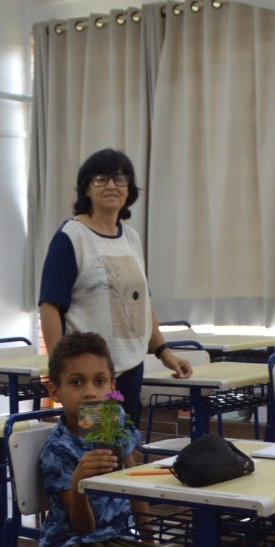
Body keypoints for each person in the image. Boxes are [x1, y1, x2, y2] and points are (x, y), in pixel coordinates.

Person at [37, 332, 219, 547]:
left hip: (122, 542)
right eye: (77, 383)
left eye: (100, 382)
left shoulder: (117, 421)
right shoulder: (58, 449)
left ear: (113, 388)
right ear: (56, 390)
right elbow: (83, 526)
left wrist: (149, 543)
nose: (90, 393)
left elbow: (134, 487)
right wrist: (80, 482)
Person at [38, 148, 191, 425]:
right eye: (101, 179)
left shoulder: (130, 237)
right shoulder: (71, 236)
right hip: (89, 374)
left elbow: (142, 303)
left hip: (130, 366)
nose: (111, 186)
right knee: (98, 451)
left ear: (129, 190)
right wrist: (60, 368)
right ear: (86, 188)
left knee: (123, 449)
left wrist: (164, 353)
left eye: (119, 179)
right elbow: (50, 305)